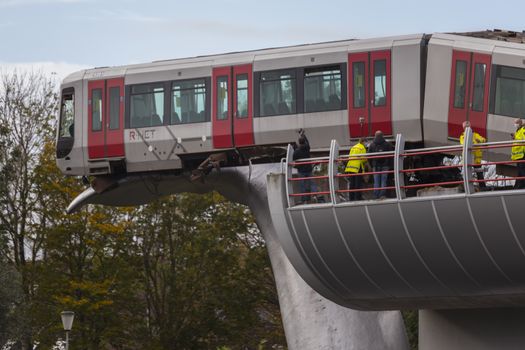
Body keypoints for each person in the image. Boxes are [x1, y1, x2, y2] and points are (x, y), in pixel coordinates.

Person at [293, 130, 323, 203]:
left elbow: (294, 159)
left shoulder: (297, 151)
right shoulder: (307, 148)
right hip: (309, 169)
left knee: (302, 184)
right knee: (312, 183)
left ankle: (304, 199)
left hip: (301, 170)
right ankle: (315, 195)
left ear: (299, 143)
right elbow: (307, 142)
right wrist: (303, 135)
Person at [460, 121, 486, 189]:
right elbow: (466, 144)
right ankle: (467, 187)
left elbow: (483, 140)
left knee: (479, 174)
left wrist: (479, 141)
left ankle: (483, 187)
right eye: (466, 127)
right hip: (468, 159)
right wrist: (476, 142)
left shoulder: (475, 134)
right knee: (468, 174)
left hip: (476, 159)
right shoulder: (463, 136)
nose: (467, 128)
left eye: (468, 127)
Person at [368, 130, 393, 199]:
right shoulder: (387, 144)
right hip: (385, 165)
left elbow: (368, 156)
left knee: (376, 181)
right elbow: (391, 155)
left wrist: (371, 164)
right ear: (382, 135)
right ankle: (382, 195)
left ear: (375, 136)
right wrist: (390, 165)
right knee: (383, 181)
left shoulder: (372, 144)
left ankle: (376, 195)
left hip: (375, 166)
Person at [511, 118, 525, 189]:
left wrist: (515, 137)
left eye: (516, 123)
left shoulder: (523, 130)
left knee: (522, 171)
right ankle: (518, 187)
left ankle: (520, 187)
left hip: (522, 154)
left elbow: (523, 140)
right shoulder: (518, 130)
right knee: (520, 172)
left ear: (519, 123)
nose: (515, 124)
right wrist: (514, 137)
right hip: (518, 155)